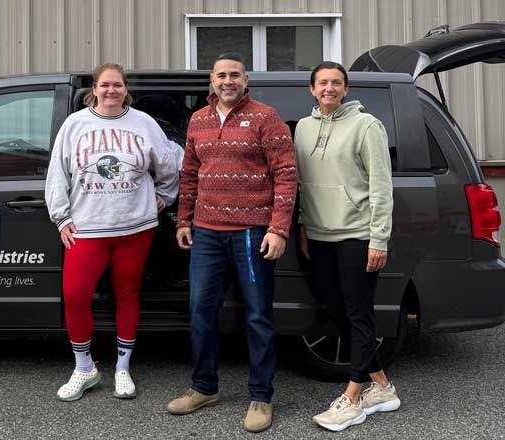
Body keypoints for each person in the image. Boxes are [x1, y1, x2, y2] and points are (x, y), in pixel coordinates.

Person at [167, 52, 297, 433]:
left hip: (252, 233)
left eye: (235, 75)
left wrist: (278, 229)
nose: (228, 81)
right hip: (206, 233)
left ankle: (261, 396)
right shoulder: (198, 119)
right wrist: (184, 219)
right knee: (200, 310)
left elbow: (286, 175)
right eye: (221, 75)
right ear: (212, 80)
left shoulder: (265, 117)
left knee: (257, 316)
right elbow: (189, 173)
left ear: (245, 80)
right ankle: (203, 387)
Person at [45, 63, 179, 402]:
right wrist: (61, 217)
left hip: (135, 227)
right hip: (87, 227)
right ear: (94, 88)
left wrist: (162, 198)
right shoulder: (75, 124)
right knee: (75, 295)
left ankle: (122, 367)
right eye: (105, 85)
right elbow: (57, 173)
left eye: (117, 85)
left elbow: (168, 165)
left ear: (125, 89)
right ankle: (84, 367)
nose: (111, 90)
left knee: (127, 295)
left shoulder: (143, 123)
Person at [295, 61, 399, 432]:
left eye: (336, 82)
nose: (329, 88)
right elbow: (303, 182)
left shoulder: (367, 125)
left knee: (358, 312)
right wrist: (304, 224)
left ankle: (353, 398)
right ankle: (382, 385)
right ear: (312, 89)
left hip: (357, 234)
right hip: (318, 236)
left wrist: (379, 238)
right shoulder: (303, 127)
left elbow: (381, 186)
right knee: (334, 305)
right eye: (322, 82)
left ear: (346, 88)